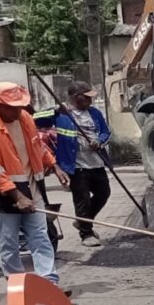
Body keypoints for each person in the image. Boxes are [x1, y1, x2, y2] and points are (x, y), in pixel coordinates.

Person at [0, 81, 70, 286]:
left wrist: (55, 166)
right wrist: (17, 197)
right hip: (4, 194)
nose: (18, 110)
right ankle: (17, 283)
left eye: (20, 105)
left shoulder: (25, 118)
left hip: (32, 187)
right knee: (9, 242)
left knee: (40, 237)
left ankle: (49, 282)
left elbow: (38, 146)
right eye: (13, 107)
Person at [54, 81, 112, 247]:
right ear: (75, 97)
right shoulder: (61, 113)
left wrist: (98, 142)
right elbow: (37, 119)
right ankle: (86, 233)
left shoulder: (94, 113)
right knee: (82, 200)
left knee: (104, 193)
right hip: (75, 166)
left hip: (96, 162)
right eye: (86, 97)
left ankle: (82, 221)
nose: (89, 101)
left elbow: (106, 132)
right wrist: (55, 111)